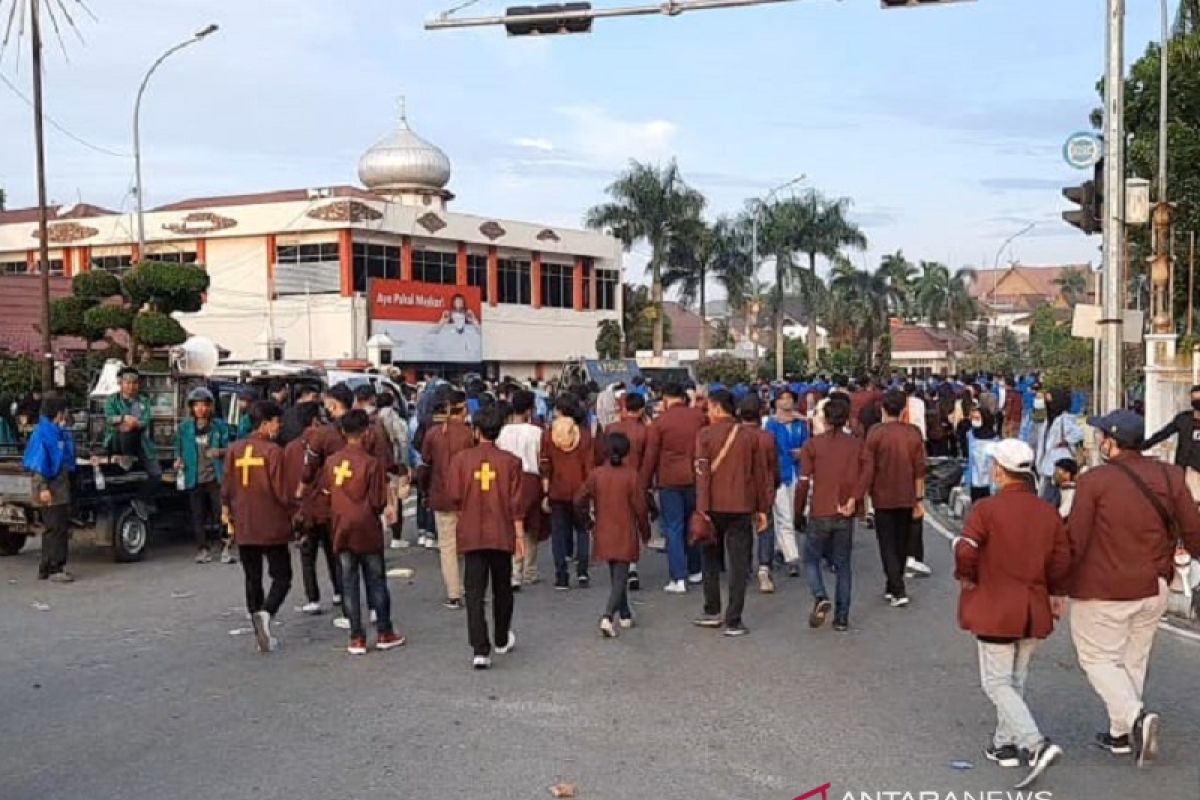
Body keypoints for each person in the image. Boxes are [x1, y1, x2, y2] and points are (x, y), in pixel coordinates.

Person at [1065, 410, 1200, 767]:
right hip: (1155, 584)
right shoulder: (1171, 477)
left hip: (1103, 587)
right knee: (1133, 658)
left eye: (1102, 438)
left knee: (1096, 657)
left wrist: (1055, 579)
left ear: (1111, 443)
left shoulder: (1094, 481)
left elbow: (1075, 539)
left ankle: (1135, 717)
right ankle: (1120, 734)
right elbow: (1194, 531)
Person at [953, 438, 1069, 787]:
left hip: (995, 605)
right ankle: (1005, 743)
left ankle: (1035, 744)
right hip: (1033, 606)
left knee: (996, 683)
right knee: (1016, 678)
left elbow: (966, 551)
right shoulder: (1046, 512)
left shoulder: (986, 510)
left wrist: (967, 577)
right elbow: (1062, 559)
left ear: (1001, 472)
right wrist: (1057, 592)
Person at [447, 405, 526, 670]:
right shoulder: (511, 462)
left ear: (476, 430)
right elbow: (517, 504)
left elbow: (455, 496)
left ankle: (480, 649)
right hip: (501, 531)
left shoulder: (460, 461)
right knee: (503, 588)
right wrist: (519, 537)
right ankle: (502, 637)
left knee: (474, 591)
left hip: (471, 530)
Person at [692, 389, 770, 637]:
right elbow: (760, 475)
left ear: (716, 408)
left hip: (712, 506)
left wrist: (701, 509)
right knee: (739, 564)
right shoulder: (749, 436)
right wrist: (761, 508)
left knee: (710, 560)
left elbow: (702, 475)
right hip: (742, 506)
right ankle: (734, 619)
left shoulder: (704, 435)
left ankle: (712, 609)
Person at [327, 409, 405, 655]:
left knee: (349, 583)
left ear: (342, 432)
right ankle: (384, 631)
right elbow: (377, 501)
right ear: (367, 432)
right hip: (367, 527)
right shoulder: (371, 464)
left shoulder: (331, 462)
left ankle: (356, 637)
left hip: (341, 527)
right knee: (376, 581)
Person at [221, 401, 293, 654]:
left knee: (252, 577)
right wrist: (296, 513)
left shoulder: (234, 449)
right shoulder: (273, 452)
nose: (279, 426)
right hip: (272, 523)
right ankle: (266, 614)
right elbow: (282, 492)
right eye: (276, 421)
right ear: (265, 423)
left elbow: (227, 486)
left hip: (244, 524)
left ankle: (258, 626)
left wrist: (226, 510)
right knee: (282, 576)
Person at [795, 396, 862, 631]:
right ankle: (842, 618)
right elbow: (865, 475)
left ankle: (820, 595)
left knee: (811, 559)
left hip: (820, 510)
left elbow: (803, 482)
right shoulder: (855, 445)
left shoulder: (812, 446)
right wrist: (855, 500)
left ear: (823, 418)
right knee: (843, 564)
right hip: (844, 510)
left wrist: (798, 511)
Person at [575, 432, 649, 637]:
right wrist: (645, 532)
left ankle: (624, 612)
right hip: (625, 529)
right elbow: (641, 509)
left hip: (603, 529)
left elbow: (578, 500)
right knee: (621, 576)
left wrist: (587, 522)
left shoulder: (596, 474)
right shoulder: (632, 475)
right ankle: (607, 615)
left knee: (615, 573)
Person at [858, 389, 926, 608]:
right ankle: (892, 584)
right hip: (907, 495)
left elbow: (868, 468)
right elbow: (919, 470)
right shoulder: (914, 433)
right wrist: (919, 499)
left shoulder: (875, 433)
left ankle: (897, 588)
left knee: (886, 543)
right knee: (901, 542)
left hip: (882, 494)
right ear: (904, 409)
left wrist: (861, 495)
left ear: (883, 409)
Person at [641, 382, 707, 593]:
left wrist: (644, 484)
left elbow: (651, 456)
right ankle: (696, 570)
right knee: (693, 523)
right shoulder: (699, 418)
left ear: (667, 399)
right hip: (695, 478)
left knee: (673, 528)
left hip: (669, 481)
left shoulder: (660, 423)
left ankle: (678, 577)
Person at [284, 402, 342, 615]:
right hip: (325, 506)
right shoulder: (328, 443)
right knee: (332, 551)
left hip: (302, 509)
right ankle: (339, 591)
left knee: (307, 556)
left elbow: (288, 482)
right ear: (316, 421)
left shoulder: (290, 449)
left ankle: (313, 598)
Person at [420, 391, 476, 609]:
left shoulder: (434, 434)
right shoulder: (469, 434)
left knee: (448, 546)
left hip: (442, 496)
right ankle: (473, 588)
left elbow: (425, 466)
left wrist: (425, 492)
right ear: (462, 409)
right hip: (468, 497)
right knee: (472, 545)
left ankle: (454, 593)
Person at [596, 390, 650, 592]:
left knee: (615, 520)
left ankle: (617, 565)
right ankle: (631, 567)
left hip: (611, 481)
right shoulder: (645, 431)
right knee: (633, 523)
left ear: (623, 407)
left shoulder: (611, 428)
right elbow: (649, 459)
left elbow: (599, 453)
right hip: (635, 481)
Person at [540, 394, 594, 590]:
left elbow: (545, 465)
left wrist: (545, 492)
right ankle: (582, 572)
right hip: (580, 489)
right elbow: (589, 467)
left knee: (558, 534)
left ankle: (561, 576)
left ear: (560, 411)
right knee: (582, 531)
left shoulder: (549, 434)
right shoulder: (585, 435)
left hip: (557, 489)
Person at [496, 389, 547, 589]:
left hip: (508, 481)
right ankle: (529, 570)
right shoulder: (537, 432)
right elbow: (542, 461)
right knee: (531, 528)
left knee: (512, 526)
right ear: (529, 409)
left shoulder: (502, 432)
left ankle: (513, 571)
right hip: (531, 479)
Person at [174, 387, 230, 564]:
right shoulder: (184, 428)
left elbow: (231, 448)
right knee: (197, 515)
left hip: (215, 477)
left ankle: (225, 548)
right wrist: (178, 461)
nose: (201, 409)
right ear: (192, 408)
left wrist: (219, 452)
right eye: (197, 405)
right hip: (194, 477)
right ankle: (202, 549)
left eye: (205, 405)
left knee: (221, 513)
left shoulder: (220, 426)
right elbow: (179, 450)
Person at [22, 396, 75, 582]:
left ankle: (46, 567)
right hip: (51, 490)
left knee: (52, 528)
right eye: (65, 412)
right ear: (59, 413)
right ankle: (55, 568)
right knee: (57, 529)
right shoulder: (44, 434)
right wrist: (43, 488)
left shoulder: (54, 431)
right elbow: (39, 464)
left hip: (57, 489)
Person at [103, 367, 161, 518]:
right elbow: (109, 418)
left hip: (139, 440)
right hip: (116, 441)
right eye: (127, 383)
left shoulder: (143, 401)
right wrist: (123, 418)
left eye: (134, 383)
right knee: (124, 430)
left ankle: (141, 499)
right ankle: (125, 456)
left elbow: (145, 420)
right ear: (120, 383)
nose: (131, 386)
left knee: (156, 474)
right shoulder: (112, 400)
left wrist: (135, 423)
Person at [764, 389, 808, 580]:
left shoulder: (801, 423)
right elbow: (768, 448)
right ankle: (793, 558)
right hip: (779, 474)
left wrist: (802, 452)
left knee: (791, 513)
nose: (786, 402)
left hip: (797, 473)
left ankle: (780, 548)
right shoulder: (771, 424)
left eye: (789, 398)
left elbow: (809, 444)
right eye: (782, 398)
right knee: (785, 516)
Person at [1142, 384, 1200, 501]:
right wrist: (1143, 446)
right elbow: (1163, 434)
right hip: (1185, 469)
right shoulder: (1183, 419)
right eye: (1195, 400)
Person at [1033, 388, 1082, 506]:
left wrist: (1065, 441)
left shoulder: (1065, 419)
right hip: (1046, 467)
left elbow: (1078, 434)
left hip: (1059, 469)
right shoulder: (1048, 420)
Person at [964, 407, 999, 503]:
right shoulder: (970, 435)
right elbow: (968, 458)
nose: (974, 421)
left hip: (989, 482)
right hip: (974, 481)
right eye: (973, 418)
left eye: (977, 418)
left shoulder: (995, 438)